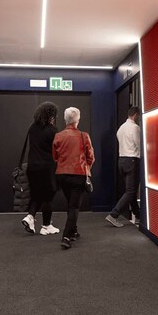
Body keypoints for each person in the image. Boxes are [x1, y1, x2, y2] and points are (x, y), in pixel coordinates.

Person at [52, 107, 95, 250]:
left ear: (65, 120)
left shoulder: (58, 136)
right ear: (78, 120)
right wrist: (87, 168)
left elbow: (55, 157)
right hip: (78, 174)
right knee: (74, 206)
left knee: (71, 203)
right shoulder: (84, 136)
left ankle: (74, 230)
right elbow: (91, 157)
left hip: (62, 175)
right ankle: (66, 236)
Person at [21, 102, 61, 235]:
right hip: (47, 167)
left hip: (32, 167)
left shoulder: (32, 128)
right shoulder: (52, 130)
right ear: (51, 115)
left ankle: (30, 217)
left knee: (36, 194)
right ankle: (46, 226)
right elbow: (58, 149)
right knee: (49, 195)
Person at [105, 106, 141, 228]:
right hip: (132, 161)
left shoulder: (121, 128)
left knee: (130, 191)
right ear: (135, 115)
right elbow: (138, 144)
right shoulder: (135, 128)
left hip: (121, 161)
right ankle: (113, 214)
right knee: (131, 192)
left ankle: (138, 216)